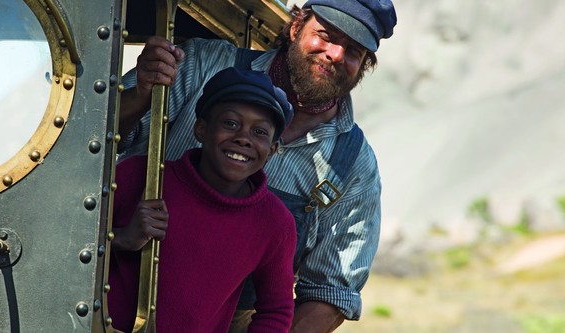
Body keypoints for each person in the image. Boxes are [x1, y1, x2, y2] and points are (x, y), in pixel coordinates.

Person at [117, 0, 397, 331]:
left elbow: (330, 293)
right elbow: (100, 140)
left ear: (365, 64)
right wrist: (142, 93)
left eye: (353, 50)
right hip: (122, 290)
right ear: (296, 26)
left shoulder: (353, 166)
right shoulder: (203, 66)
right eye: (326, 35)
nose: (335, 54)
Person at [108, 67, 297, 333]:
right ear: (201, 129)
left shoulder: (275, 222)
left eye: (260, 133)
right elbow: (68, 242)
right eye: (230, 123)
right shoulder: (141, 175)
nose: (243, 138)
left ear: (273, 149)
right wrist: (122, 239)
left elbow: (276, 310)